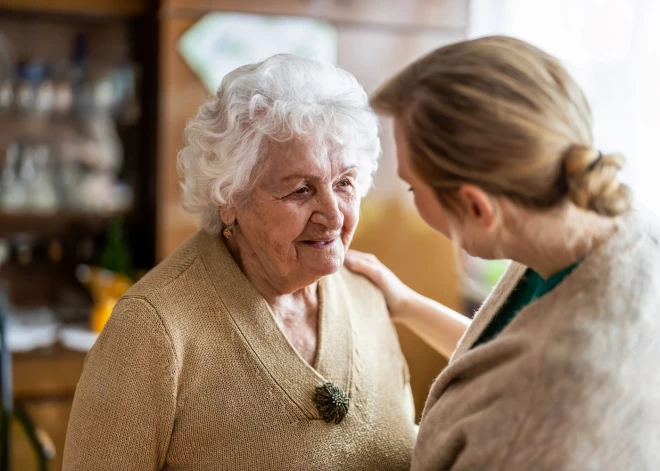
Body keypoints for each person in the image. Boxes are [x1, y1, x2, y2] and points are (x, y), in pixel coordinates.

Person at [63, 54, 416, 471]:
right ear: (230, 199)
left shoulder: (369, 296)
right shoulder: (152, 330)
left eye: (344, 183)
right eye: (301, 190)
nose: (334, 215)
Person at [346, 36, 660, 470]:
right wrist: (406, 305)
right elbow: (506, 357)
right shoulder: (608, 224)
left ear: (476, 206)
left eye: (413, 187)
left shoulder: (542, 417)